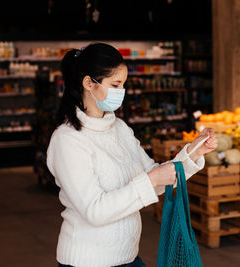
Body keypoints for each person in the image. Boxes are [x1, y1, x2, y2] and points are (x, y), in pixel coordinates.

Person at [46, 43, 218, 267]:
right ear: (88, 83)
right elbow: (95, 211)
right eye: (115, 84)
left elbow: (154, 178)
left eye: (123, 84)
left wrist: (194, 152)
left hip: (127, 257)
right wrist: (152, 179)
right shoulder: (68, 140)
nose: (121, 91)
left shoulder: (119, 129)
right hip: (87, 262)